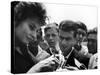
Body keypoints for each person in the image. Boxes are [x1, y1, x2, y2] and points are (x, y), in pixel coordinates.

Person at [12, 1, 53, 73]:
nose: (34, 36)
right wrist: (35, 70)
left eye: (36, 30)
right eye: (31, 27)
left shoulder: (23, 47)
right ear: (15, 20)